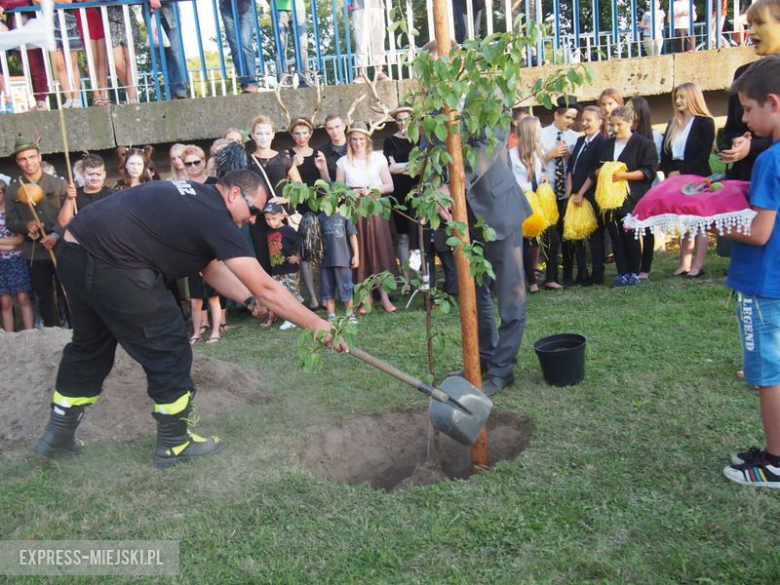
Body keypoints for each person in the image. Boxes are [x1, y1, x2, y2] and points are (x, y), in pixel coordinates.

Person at [33, 169, 344, 467]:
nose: (252, 219)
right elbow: (266, 287)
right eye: (252, 210)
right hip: (114, 262)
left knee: (90, 347)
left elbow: (211, 268)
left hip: (74, 253)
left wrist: (248, 300)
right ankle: (175, 442)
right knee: (168, 345)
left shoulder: (196, 197)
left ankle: (58, 435)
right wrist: (319, 325)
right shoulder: (215, 214)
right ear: (234, 193)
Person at [717, 55, 780, 488]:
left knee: (768, 375)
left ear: (773, 103)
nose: (743, 117)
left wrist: (714, 222)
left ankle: (775, 463)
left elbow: (758, 232)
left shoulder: (769, 160)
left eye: (748, 108)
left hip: (763, 284)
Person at [5, 138, 72, 328]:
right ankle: (51, 331)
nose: (29, 162)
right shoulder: (13, 190)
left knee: (66, 291)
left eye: (32, 157)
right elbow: (11, 222)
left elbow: (68, 215)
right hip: (34, 251)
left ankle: (74, 330)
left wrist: (56, 235)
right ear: (18, 162)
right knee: (43, 296)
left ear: (39, 156)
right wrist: (26, 226)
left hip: (60, 247)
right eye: (23, 159)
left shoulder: (58, 183)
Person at [592, 106, 658, 287]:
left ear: (630, 122)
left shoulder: (644, 144)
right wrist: (603, 172)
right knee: (615, 235)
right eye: (612, 125)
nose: (615, 129)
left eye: (619, 125)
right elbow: (596, 168)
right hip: (610, 198)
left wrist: (623, 175)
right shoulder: (605, 144)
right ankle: (622, 272)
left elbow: (648, 171)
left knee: (631, 235)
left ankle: (634, 272)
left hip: (632, 197)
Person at [336, 122, 398, 313]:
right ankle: (366, 296)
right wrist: (349, 193)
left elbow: (389, 186)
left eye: (361, 139)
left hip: (374, 207)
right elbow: (338, 189)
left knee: (378, 248)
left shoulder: (378, 159)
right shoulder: (343, 162)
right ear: (349, 140)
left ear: (367, 140)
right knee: (360, 250)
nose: (357, 142)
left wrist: (373, 189)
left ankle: (385, 296)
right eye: (354, 139)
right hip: (355, 210)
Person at [660, 83, 715, 278]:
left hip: (698, 177)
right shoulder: (672, 123)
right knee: (683, 220)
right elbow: (664, 154)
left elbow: (703, 154)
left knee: (699, 222)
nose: (678, 101)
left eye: (682, 97)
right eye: (676, 97)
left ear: (693, 98)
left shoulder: (705, 123)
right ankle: (684, 263)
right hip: (676, 179)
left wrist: (681, 171)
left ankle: (698, 265)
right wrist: (670, 173)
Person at [247, 115, 304, 274]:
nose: (263, 137)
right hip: (259, 217)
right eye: (259, 133)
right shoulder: (247, 161)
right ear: (252, 135)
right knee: (263, 258)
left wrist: (285, 198)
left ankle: (291, 295)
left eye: (266, 133)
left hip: (282, 214)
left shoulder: (284, 159)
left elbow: (300, 187)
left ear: (273, 134)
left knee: (286, 257)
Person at [289, 117, 330, 310]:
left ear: (310, 134)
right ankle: (312, 298)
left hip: (319, 206)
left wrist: (322, 169)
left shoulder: (318, 154)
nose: (301, 137)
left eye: (304, 133)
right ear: (292, 135)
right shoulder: (287, 155)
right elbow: (285, 185)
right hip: (300, 209)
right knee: (305, 253)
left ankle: (325, 295)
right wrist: (293, 166)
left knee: (322, 252)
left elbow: (327, 184)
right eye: (297, 133)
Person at [539, 97, 579, 290]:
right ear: (557, 114)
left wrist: (570, 155)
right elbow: (533, 162)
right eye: (568, 117)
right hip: (548, 193)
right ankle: (550, 276)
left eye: (573, 118)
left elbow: (578, 164)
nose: (570, 122)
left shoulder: (575, 137)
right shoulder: (542, 135)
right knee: (551, 236)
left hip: (567, 192)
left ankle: (568, 275)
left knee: (567, 234)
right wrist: (551, 154)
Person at [568, 105, 608, 286]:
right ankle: (582, 271)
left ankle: (597, 273)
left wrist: (582, 193)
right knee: (577, 233)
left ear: (600, 122)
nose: (584, 123)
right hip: (575, 194)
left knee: (594, 235)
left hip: (590, 195)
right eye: (582, 120)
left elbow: (595, 172)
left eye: (588, 120)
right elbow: (571, 167)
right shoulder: (579, 141)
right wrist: (571, 192)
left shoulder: (603, 142)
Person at [628, 95, 664, 280]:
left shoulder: (654, 135)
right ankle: (632, 265)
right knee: (631, 225)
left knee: (648, 228)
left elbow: (655, 163)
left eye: (631, 109)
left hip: (648, 187)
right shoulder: (624, 135)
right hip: (628, 188)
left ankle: (645, 268)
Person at [510, 115, 547, 294]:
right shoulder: (512, 154)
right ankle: (530, 281)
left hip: (537, 200)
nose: (541, 130)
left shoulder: (538, 151)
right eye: (539, 127)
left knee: (540, 238)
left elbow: (539, 174)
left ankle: (544, 276)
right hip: (520, 200)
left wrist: (544, 179)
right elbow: (509, 179)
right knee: (523, 241)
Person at [384, 106, 419, 292]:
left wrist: (401, 166)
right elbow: (388, 168)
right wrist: (413, 165)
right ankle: (406, 281)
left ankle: (422, 278)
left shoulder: (421, 139)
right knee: (403, 237)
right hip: (398, 193)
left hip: (419, 191)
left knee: (421, 236)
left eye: (406, 119)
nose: (402, 123)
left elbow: (424, 166)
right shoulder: (389, 141)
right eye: (399, 120)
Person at [261, 202, 302, 330]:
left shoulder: (288, 230)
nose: (271, 222)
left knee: (291, 293)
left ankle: (294, 319)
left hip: (290, 269)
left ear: (281, 216)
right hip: (276, 270)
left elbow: (301, 244)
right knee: (281, 295)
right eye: (267, 219)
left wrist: (297, 257)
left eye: (273, 218)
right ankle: (290, 316)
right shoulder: (267, 231)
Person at [0, 179, 34, 331]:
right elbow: (13, 242)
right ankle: (9, 338)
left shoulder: (11, 213)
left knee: (23, 298)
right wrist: (9, 244)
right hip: (1, 263)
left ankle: (30, 334)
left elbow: (19, 240)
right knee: (5, 302)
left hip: (16, 260)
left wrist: (9, 243)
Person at [319, 208, 359, 324]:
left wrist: (356, 255)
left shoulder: (345, 214)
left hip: (343, 260)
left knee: (346, 287)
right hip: (325, 262)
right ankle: (331, 316)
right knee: (328, 290)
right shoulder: (320, 217)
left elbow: (352, 235)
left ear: (340, 197)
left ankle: (350, 314)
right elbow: (317, 240)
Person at [58, 154, 113, 227]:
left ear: (104, 174)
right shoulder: (74, 195)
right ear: (82, 173)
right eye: (90, 174)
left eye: (98, 174)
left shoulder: (112, 195)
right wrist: (69, 199)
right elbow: (63, 223)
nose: (94, 178)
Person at [149, 0, 188, 99]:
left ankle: (179, 90)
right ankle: (172, 90)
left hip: (169, 9)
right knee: (160, 55)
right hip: (151, 11)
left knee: (174, 51)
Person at [219, 0, 258, 93]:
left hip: (246, 6)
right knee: (235, 46)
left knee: (245, 43)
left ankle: (252, 82)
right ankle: (244, 83)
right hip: (226, 7)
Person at [75, 0, 110, 106]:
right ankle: (96, 95)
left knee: (102, 59)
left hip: (99, 14)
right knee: (92, 59)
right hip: (83, 13)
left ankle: (104, 94)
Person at [51, 0, 84, 108]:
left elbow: (68, 1)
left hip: (68, 25)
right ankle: (68, 98)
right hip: (51, 26)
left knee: (72, 64)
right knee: (59, 65)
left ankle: (76, 98)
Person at [351, 0, 388, 82]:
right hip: (359, 5)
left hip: (377, 5)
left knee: (379, 38)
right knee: (361, 40)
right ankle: (361, 73)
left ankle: (379, 71)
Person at [274, 0, 310, 86]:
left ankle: (303, 78)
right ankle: (283, 80)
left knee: (301, 46)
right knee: (280, 47)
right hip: (277, 7)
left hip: (298, 7)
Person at [319, 113, 348, 181]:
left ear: (344, 126)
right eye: (330, 128)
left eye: (337, 127)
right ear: (326, 129)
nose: (334, 131)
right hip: (334, 190)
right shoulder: (322, 152)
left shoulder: (355, 147)